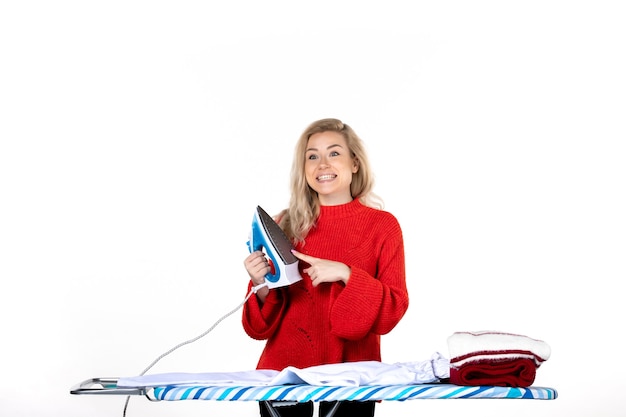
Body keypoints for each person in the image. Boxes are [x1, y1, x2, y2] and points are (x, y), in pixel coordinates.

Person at [242, 118, 409, 417]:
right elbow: (257, 328)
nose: (322, 164)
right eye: (312, 156)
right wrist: (260, 284)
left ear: (354, 163)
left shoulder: (383, 227)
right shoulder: (284, 225)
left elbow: (392, 309)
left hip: (353, 377)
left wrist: (346, 274)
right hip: (283, 377)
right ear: (303, 169)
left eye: (334, 153)